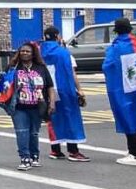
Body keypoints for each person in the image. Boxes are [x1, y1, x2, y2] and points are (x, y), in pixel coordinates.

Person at [41, 26, 90, 162]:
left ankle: (55, 150)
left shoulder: (39, 52)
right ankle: (73, 151)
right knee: (70, 117)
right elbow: (72, 73)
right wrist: (79, 89)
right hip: (64, 88)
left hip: (47, 89)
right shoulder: (63, 53)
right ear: (57, 36)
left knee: (52, 118)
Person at [7, 42, 56, 171]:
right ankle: (24, 158)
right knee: (21, 132)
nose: (24, 53)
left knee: (33, 133)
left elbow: (50, 86)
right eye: (22, 51)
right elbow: (5, 85)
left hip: (37, 106)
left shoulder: (41, 68)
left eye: (28, 51)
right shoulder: (13, 68)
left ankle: (34, 156)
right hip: (19, 107)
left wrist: (52, 102)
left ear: (33, 54)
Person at [103, 18, 136, 166]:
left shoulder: (116, 47)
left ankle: (134, 152)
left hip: (122, 87)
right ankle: (135, 151)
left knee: (126, 116)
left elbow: (107, 66)